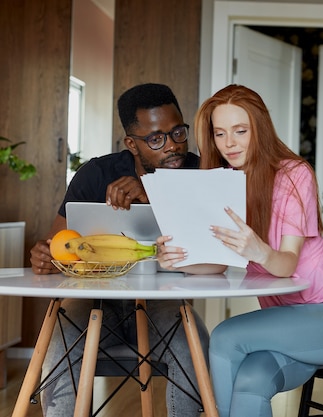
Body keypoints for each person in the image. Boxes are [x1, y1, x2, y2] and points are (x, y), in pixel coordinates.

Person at [156, 84, 323, 417]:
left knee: (227, 335)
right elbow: (217, 265)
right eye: (219, 133)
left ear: (259, 128)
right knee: (252, 379)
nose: (229, 143)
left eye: (240, 131)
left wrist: (258, 251)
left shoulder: (293, 174)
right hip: (291, 324)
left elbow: (287, 263)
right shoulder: (225, 183)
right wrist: (176, 262)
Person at [29, 83, 225, 417]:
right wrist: (45, 257)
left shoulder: (202, 173)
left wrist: (156, 196)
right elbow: (58, 243)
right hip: (94, 301)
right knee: (61, 345)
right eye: (156, 139)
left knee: (194, 346)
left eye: (178, 132)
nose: (173, 146)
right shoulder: (95, 174)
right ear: (132, 144)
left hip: (163, 301)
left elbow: (215, 251)